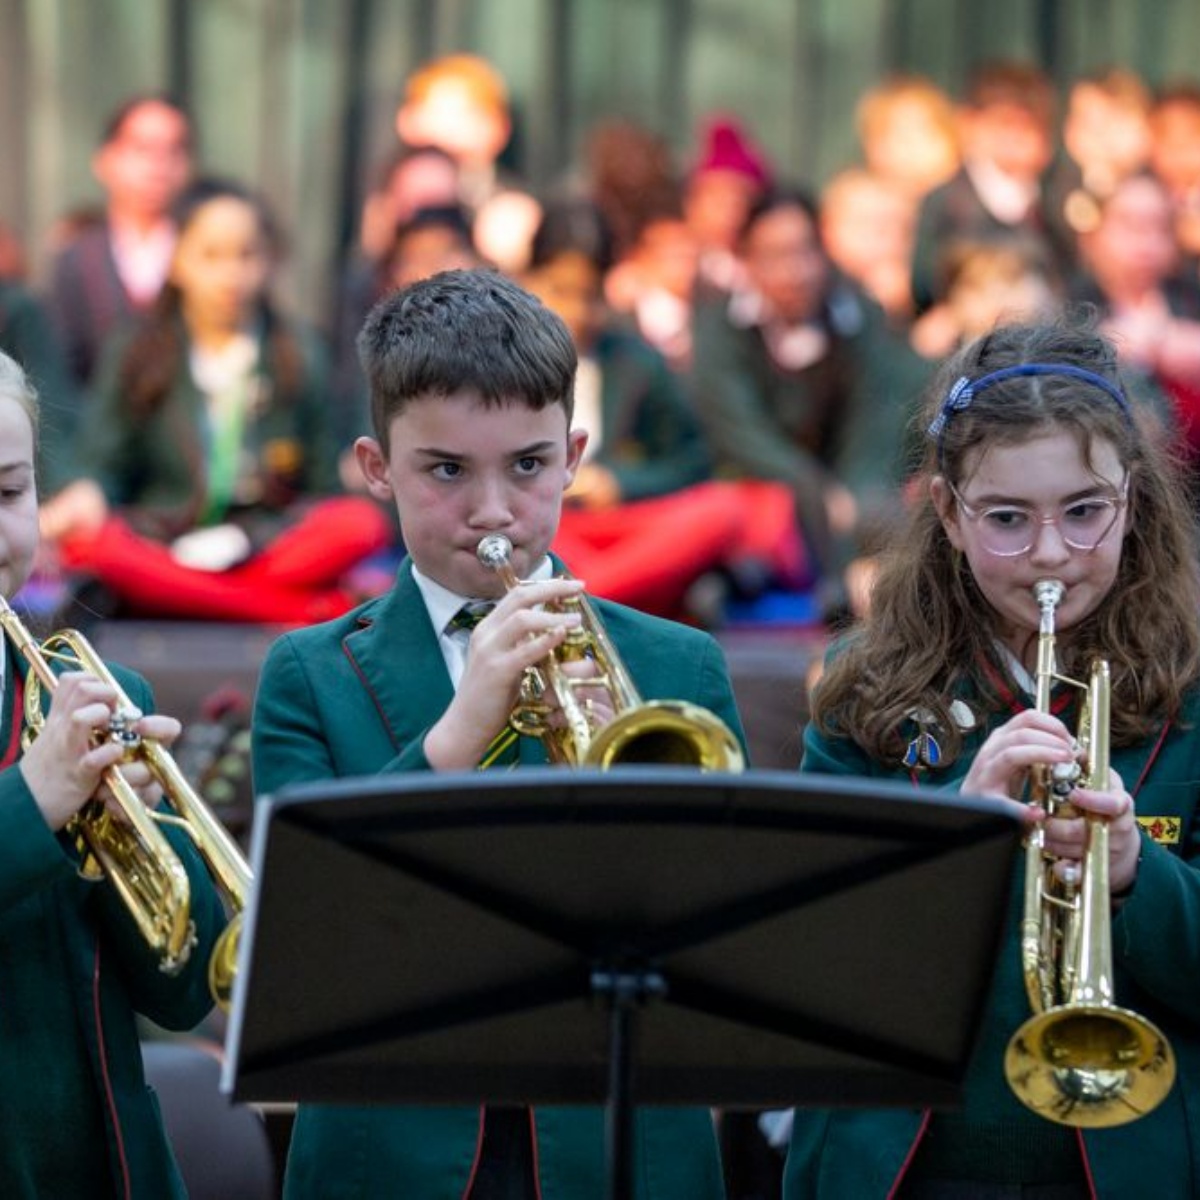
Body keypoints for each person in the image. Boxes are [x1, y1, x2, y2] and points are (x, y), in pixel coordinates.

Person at [251, 267, 742, 1198]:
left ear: (574, 455)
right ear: (374, 468)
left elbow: (719, 931)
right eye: (446, 470)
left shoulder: (681, 669)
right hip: (391, 1155)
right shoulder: (308, 674)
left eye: (527, 464)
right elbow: (305, 934)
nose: (492, 512)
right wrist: (455, 734)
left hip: (623, 1146)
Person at [784, 317, 1200, 1198]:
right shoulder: (868, 690)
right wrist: (953, 838)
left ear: (1133, 498)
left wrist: (1136, 874)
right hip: (909, 1166)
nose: (1050, 553)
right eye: (1007, 519)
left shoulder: (1193, 688)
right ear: (947, 512)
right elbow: (817, 968)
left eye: (1085, 512)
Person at [0, 348, 227, 1197]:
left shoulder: (94, 695)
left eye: (10, 492)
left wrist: (138, 830)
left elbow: (182, 993)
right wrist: (36, 803)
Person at [40, 177, 391, 624]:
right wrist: (81, 498)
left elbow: (323, 488)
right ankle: (296, 610)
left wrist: (279, 528)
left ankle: (196, 598)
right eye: (211, 255)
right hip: (167, 542)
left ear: (269, 261)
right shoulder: (137, 349)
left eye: (246, 255)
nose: (231, 274)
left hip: (266, 545)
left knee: (362, 523)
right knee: (98, 544)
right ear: (179, 260)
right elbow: (102, 463)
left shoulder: (298, 352)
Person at [46, 93, 195, 389]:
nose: (159, 165)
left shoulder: (204, 254)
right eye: (143, 149)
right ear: (105, 160)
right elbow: (61, 371)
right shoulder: (76, 259)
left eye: (174, 150)